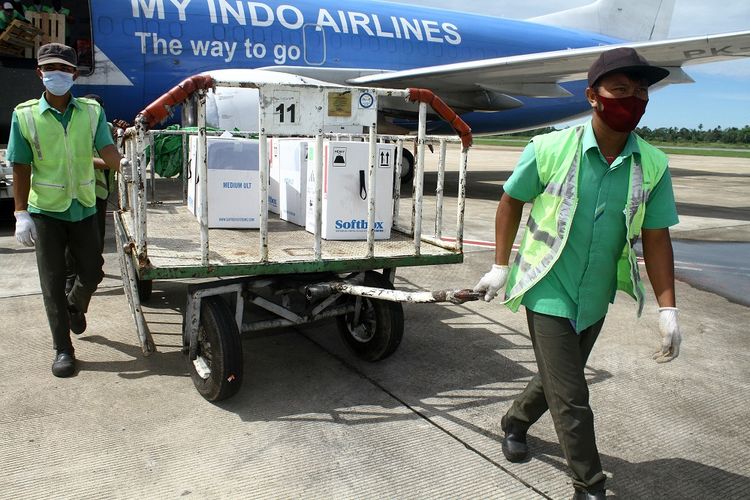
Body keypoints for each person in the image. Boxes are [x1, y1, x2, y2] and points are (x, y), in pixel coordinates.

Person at [473, 47, 682, 500]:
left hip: (595, 293)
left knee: (556, 378)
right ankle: (589, 486)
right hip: (547, 283)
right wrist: (499, 265)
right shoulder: (548, 148)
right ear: (593, 96)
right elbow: (511, 202)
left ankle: (514, 421)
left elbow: (657, 235)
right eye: (621, 89)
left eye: (641, 91)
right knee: (572, 395)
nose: (633, 98)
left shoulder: (653, 164)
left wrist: (669, 307)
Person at [7, 43, 123, 378]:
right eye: (50, 69)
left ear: (75, 73)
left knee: (93, 271)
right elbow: (20, 166)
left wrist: (125, 165)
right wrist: (20, 213)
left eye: (64, 69)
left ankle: (74, 305)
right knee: (52, 282)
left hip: (84, 207)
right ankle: (63, 349)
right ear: (40, 73)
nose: (57, 75)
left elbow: (106, 148)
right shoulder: (24, 115)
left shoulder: (90, 111)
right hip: (46, 212)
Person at [64, 93, 117, 295]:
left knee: (96, 238)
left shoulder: (107, 128)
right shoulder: (76, 128)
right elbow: (81, 158)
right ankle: (71, 281)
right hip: (80, 191)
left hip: (99, 192)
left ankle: (90, 274)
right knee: (74, 239)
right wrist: (113, 162)